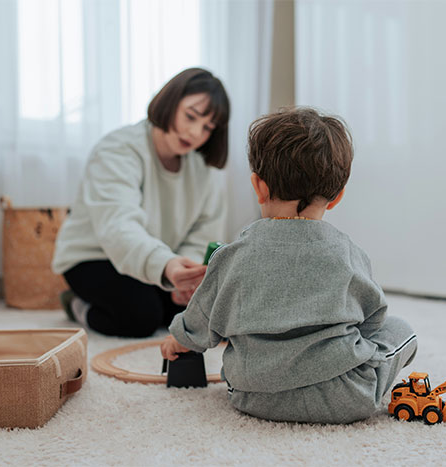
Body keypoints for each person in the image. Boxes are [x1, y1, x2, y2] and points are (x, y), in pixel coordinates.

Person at [160, 107, 417, 424]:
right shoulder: (349, 254)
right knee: (401, 331)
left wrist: (178, 339)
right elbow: (373, 318)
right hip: (345, 398)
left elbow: (201, 319)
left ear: (259, 187)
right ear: (336, 197)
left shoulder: (231, 255)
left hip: (251, 395)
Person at [52, 68, 230, 337]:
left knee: (195, 314)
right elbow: (118, 228)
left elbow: (203, 233)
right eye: (190, 116)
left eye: (207, 127)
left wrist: (187, 279)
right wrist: (168, 267)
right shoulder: (117, 149)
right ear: (169, 103)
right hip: (95, 257)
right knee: (140, 317)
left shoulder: (203, 169)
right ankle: (76, 305)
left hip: (156, 262)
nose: (195, 132)